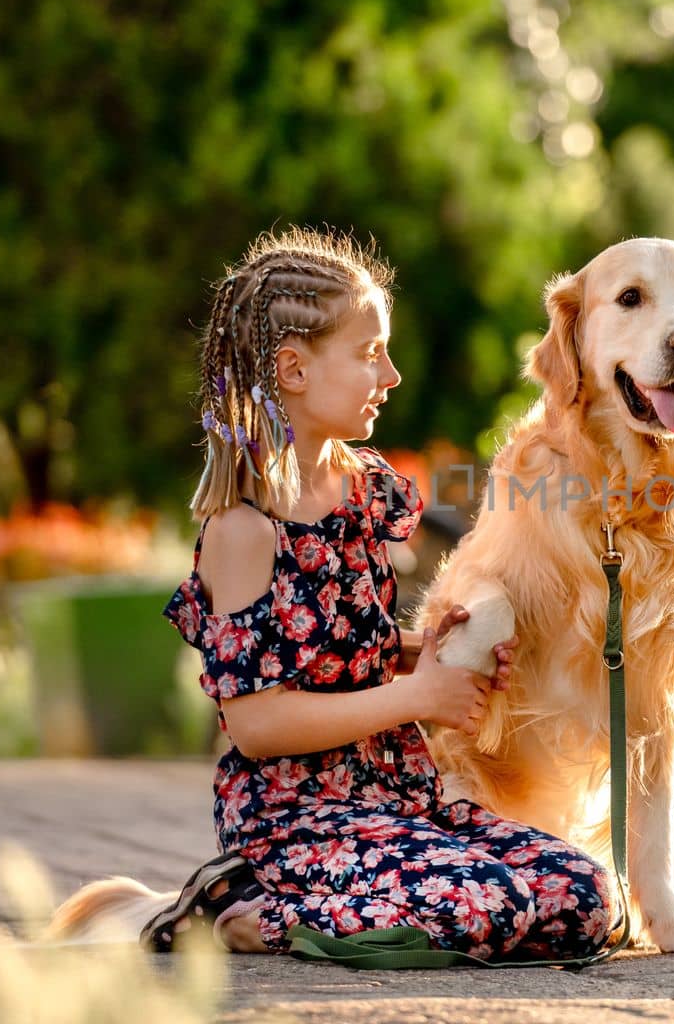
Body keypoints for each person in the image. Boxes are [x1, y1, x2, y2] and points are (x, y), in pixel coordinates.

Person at [149, 227, 616, 961]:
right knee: (482, 906)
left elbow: (340, 655)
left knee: (583, 891)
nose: (391, 374)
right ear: (293, 369)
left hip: (395, 801)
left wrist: (426, 655)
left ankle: (344, 904)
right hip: (297, 822)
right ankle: (239, 912)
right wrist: (418, 698)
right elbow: (257, 723)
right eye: (371, 354)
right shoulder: (244, 531)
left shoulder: (364, 490)